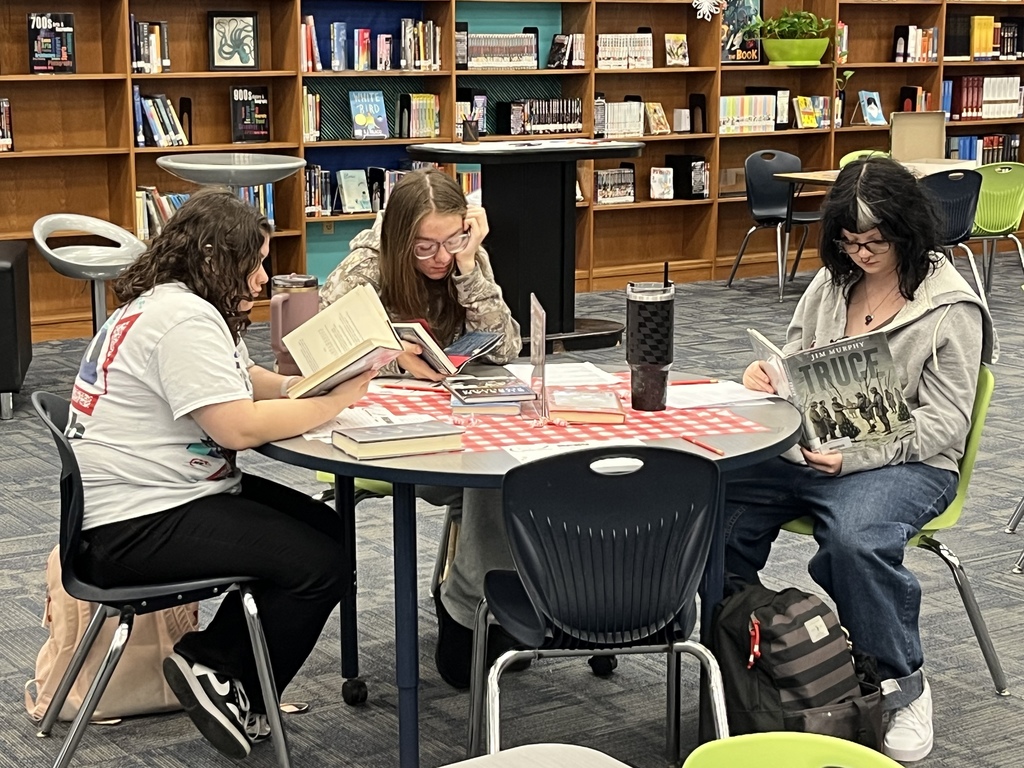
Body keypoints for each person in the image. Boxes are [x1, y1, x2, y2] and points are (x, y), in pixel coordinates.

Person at [68, 189, 375, 759]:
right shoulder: (181, 320)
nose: (262, 279)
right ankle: (215, 668)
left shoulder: (173, 303)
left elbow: (244, 377)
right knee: (320, 564)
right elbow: (236, 428)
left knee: (332, 534)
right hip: (133, 523)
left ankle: (230, 682)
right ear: (213, 259)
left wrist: (309, 385)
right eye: (253, 263)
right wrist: (336, 403)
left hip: (158, 494)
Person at [726, 158, 996, 763]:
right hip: (816, 448)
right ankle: (736, 658)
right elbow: (798, 358)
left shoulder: (950, 308)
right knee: (714, 498)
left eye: (875, 241)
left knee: (853, 539)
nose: (862, 253)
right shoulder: (833, 280)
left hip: (910, 462)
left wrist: (857, 457)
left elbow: (947, 422)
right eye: (848, 241)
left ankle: (902, 686)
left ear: (908, 231)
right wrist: (767, 378)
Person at [320, 168, 523, 689]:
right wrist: (395, 363)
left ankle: (481, 602)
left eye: (451, 239)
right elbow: (321, 356)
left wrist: (470, 266)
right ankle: (469, 607)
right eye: (424, 247)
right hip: (390, 439)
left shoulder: (464, 256)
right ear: (398, 241)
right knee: (487, 477)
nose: (439, 258)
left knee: (509, 466)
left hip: (455, 422)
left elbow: (504, 347)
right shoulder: (365, 267)